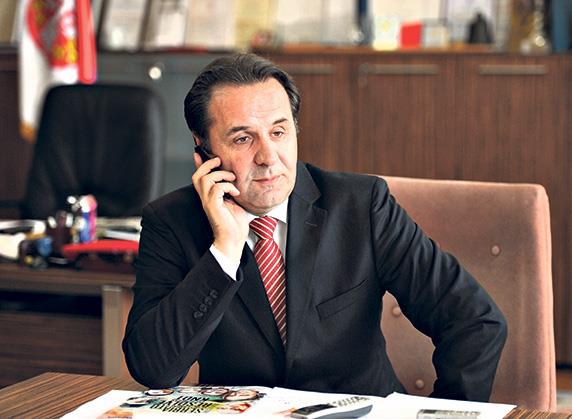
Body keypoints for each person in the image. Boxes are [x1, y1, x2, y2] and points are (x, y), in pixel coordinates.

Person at [122, 53, 507, 401]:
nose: (268, 157)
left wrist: (446, 415)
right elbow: (154, 369)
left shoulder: (362, 205)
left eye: (278, 132)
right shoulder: (171, 222)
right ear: (203, 148)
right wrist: (224, 250)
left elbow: (475, 320)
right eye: (242, 138)